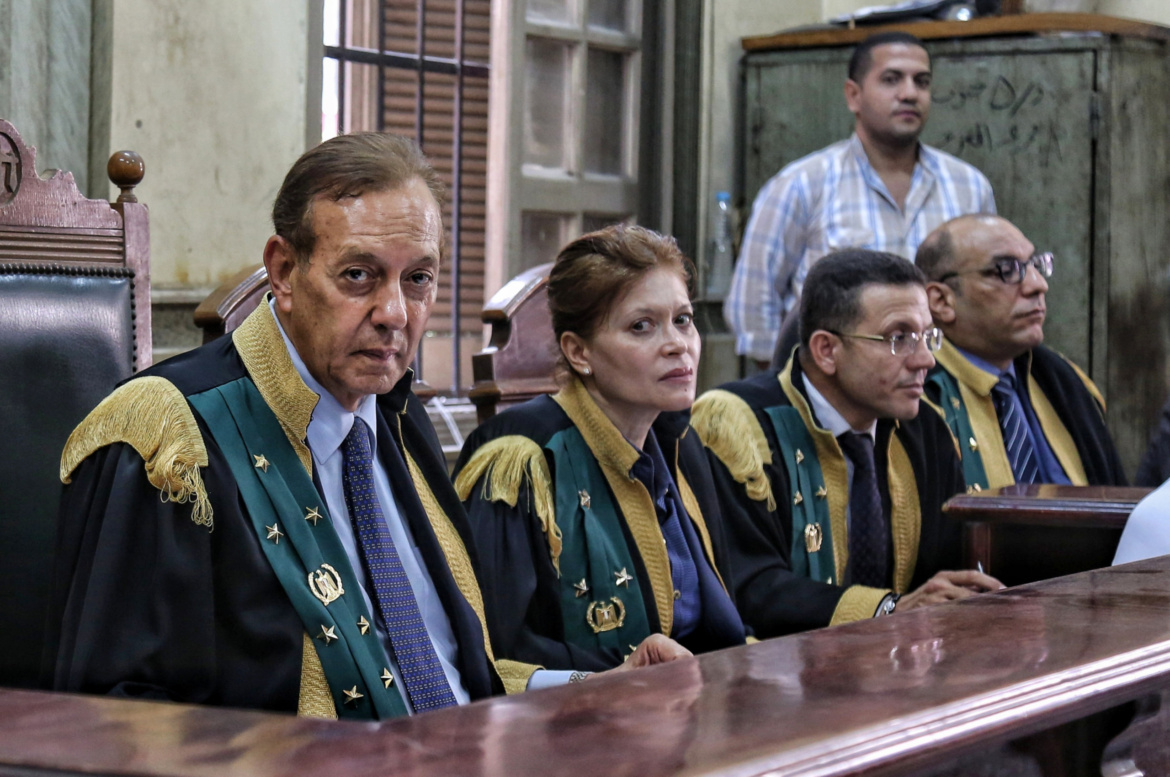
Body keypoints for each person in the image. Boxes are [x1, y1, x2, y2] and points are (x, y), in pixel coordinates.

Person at [44, 133, 686, 721]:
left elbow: (447, 674)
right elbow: (116, 719)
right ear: (285, 271)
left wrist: (596, 687)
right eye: (359, 275)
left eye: (418, 280)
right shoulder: (170, 439)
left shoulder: (396, 424)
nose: (394, 313)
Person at [453, 225, 747, 670]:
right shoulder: (519, 458)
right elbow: (491, 649)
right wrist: (613, 676)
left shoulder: (678, 441)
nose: (677, 345)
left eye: (683, 320)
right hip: (580, 723)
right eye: (641, 326)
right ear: (578, 352)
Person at [693, 250, 1002, 639]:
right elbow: (747, 585)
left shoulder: (924, 427)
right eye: (899, 338)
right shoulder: (738, 424)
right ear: (826, 350)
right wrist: (886, 609)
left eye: (927, 336)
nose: (926, 360)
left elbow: (945, 567)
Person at [725, 31, 996, 369]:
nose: (910, 93)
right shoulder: (801, 185)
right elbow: (752, 307)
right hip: (836, 396)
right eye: (891, 79)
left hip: (948, 388)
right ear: (853, 95)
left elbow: (991, 295)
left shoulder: (969, 187)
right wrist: (796, 391)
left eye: (921, 82)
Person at [916, 214, 1126, 490]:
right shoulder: (915, 394)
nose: (1038, 284)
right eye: (1007, 270)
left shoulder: (1063, 380)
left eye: (1035, 265)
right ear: (941, 301)